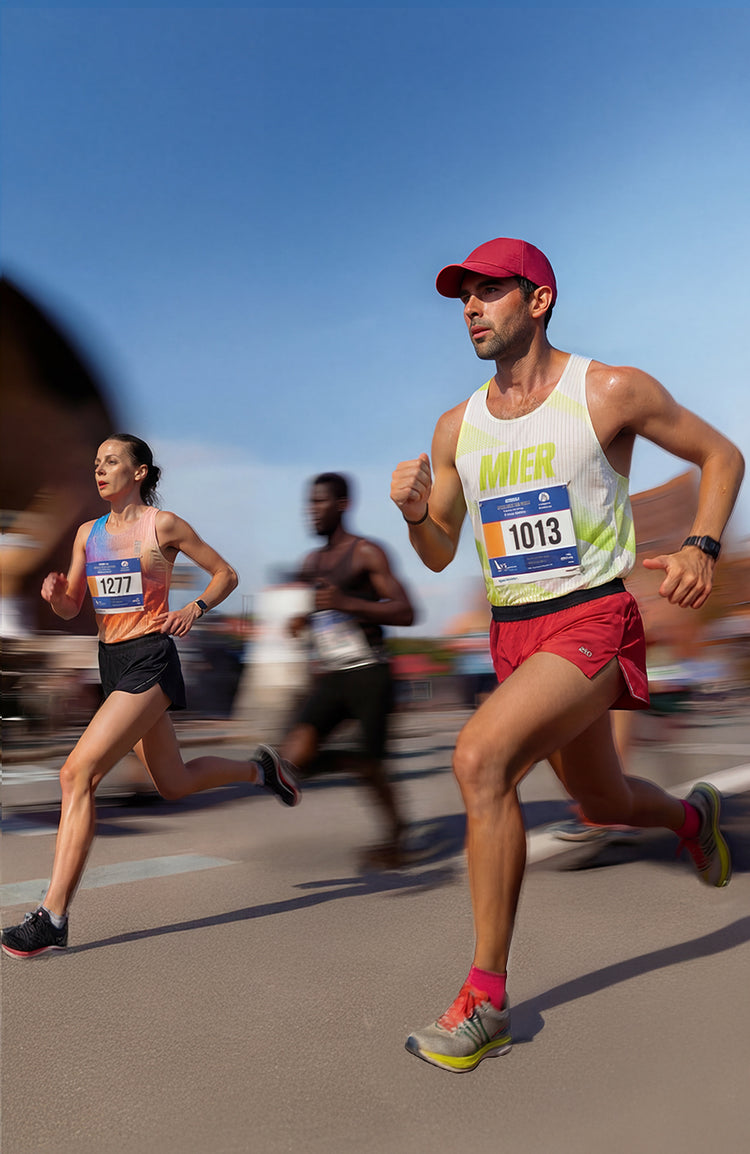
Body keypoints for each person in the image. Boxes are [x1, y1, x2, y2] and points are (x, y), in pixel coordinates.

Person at [390, 237, 745, 1073]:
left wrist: (700, 545)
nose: (471, 308)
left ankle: (486, 1000)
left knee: (479, 761)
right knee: (604, 800)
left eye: (488, 292)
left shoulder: (607, 390)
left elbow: (721, 456)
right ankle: (693, 819)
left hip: (591, 617)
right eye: (462, 297)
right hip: (514, 634)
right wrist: (413, 513)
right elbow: (441, 550)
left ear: (537, 299)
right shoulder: (456, 427)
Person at [1, 434, 300, 959]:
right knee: (174, 782)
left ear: (138, 473)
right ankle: (259, 768)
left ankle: (52, 915)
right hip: (111, 662)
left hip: (151, 658)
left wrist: (196, 609)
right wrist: (56, 596)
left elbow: (225, 574)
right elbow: (73, 607)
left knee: (77, 773)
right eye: (96, 463)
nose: (101, 470)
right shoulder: (85, 535)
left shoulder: (162, 525)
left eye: (112, 462)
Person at [279, 472, 415, 869]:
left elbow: (406, 611)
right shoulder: (312, 562)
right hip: (334, 674)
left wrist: (347, 602)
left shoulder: (367, 553)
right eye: (309, 503)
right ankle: (355, 762)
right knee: (293, 756)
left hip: (371, 673)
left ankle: (396, 836)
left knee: (374, 764)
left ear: (342, 505)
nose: (311, 511)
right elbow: (327, 607)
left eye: (320, 502)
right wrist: (305, 619)